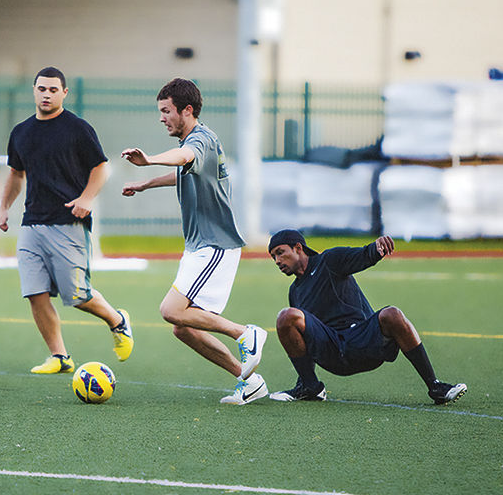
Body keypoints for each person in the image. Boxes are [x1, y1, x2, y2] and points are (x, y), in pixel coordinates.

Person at [121, 78, 268, 405]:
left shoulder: (200, 140)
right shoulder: (197, 144)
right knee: (183, 327)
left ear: (187, 110)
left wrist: (150, 160)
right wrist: (145, 183)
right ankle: (249, 380)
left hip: (215, 245)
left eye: (166, 111)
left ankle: (245, 333)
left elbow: (183, 157)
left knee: (170, 310)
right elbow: (182, 170)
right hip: (201, 248)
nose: (162, 118)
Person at [0, 66, 133, 374]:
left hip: (68, 221)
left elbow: (101, 168)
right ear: (34, 90)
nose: (46, 94)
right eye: (42, 89)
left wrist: (86, 199)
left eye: (53, 90)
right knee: (34, 292)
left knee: (78, 296)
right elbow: (16, 174)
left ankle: (117, 320)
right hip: (32, 224)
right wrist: (4, 207)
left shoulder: (77, 128)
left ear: (64, 93)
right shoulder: (21, 132)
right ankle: (59, 356)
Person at [266, 229, 467, 404]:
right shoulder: (295, 291)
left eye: (280, 253)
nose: (277, 261)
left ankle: (435, 386)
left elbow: (363, 255)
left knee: (392, 313)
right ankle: (310, 387)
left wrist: (376, 248)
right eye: (273, 257)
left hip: (362, 341)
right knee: (286, 317)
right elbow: (305, 339)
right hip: (333, 351)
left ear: (298, 248)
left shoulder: (329, 260)